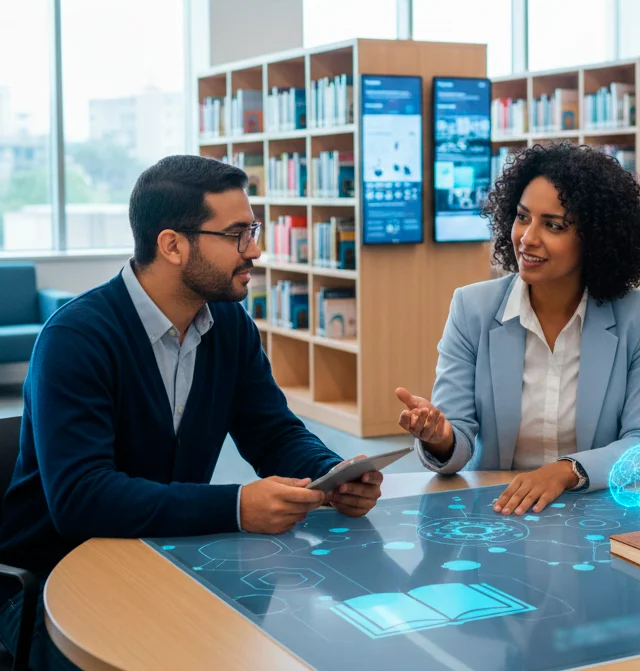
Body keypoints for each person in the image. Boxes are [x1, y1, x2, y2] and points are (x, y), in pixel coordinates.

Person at [0, 155, 383, 669]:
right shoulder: (76, 339)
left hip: (167, 554)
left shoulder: (228, 325)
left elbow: (272, 431)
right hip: (52, 580)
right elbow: (81, 499)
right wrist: (235, 507)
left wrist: (331, 473)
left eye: (254, 230)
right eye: (238, 235)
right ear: (173, 244)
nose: (257, 250)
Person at [396, 142, 640, 517]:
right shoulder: (472, 309)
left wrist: (565, 472)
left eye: (553, 225)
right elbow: (456, 441)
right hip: (501, 510)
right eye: (523, 217)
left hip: (599, 510)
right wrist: (441, 438)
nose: (527, 237)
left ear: (594, 238)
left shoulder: (639, 316)